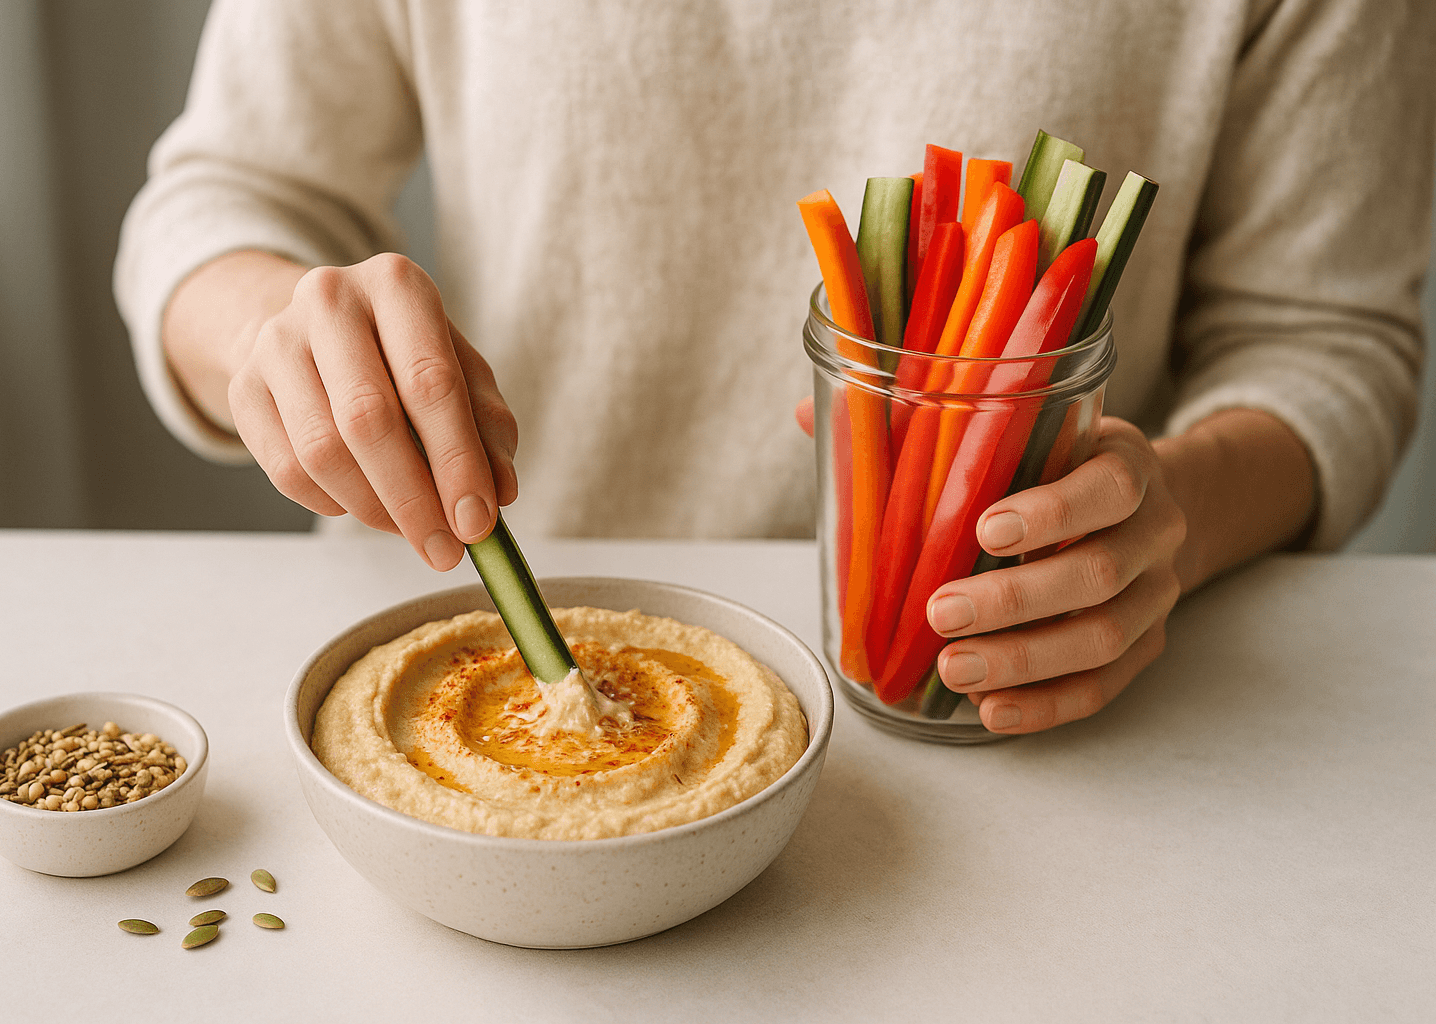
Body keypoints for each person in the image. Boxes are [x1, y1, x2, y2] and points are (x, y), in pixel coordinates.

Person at [115, 0, 1433, 734]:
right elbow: (226, 194)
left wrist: (1178, 516)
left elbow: (1327, 337)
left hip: (991, 712)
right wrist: (276, 332)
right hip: (463, 639)